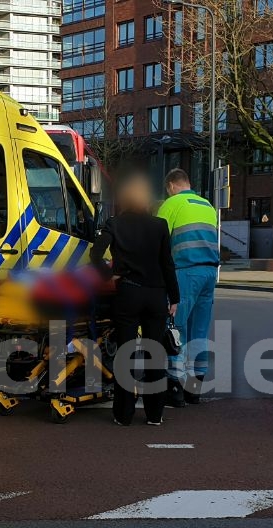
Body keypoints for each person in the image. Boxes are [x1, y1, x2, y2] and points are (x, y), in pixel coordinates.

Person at [91, 173, 179, 426]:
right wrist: (174, 297)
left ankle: (124, 414)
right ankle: (154, 414)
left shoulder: (114, 224)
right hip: (155, 294)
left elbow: (95, 254)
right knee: (155, 355)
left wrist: (110, 274)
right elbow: (167, 264)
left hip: (128, 292)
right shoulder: (160, 225)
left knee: (125, 354)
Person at [157, 168, 219, 407]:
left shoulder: (172, 204)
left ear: (171, 186)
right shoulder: (207, 206)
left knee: (176, 329)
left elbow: (159, 240)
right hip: (209, 272)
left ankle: (175, 388)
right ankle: (195, 388)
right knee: (200, 331)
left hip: (185, 272)